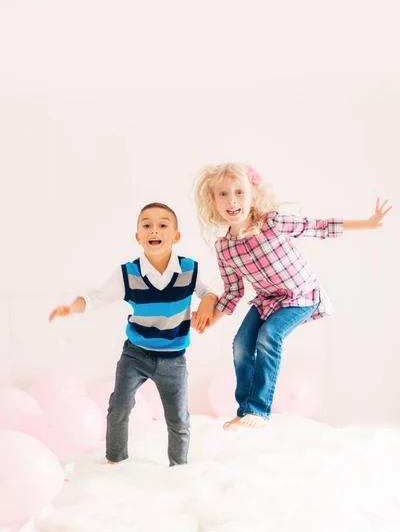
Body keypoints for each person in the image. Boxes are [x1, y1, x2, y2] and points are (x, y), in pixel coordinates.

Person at [192, 162, 392, 431]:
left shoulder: (273, 222)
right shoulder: (225, 248)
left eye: (239, 192)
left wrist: (366, 224)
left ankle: (260, 411)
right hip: (267, 301)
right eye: (223, 194)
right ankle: (245, 411)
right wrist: (207, 320)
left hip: (301, 296)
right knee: (241, 344)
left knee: (268, 336)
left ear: (252, 196)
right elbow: (232, 293)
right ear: (213, 202)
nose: (232, 201)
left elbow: (318, 227)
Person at [49, 202, 218, 464]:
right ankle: (115, 459)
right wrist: (72, 307)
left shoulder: (189, 269)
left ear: (176, 236)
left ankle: (179, 466)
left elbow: (208, 292)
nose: (154, 230)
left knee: (178, 417)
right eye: (147, 225)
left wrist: (207, 302)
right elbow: (98, 297)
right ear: (138, 236)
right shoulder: (128, 273)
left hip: (173, 359)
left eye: (163, 225)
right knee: (120, 406)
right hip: (136, 355)